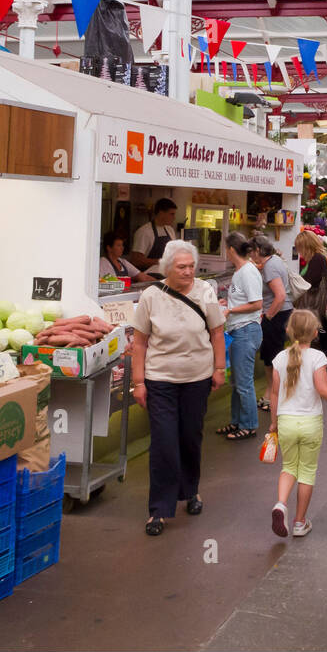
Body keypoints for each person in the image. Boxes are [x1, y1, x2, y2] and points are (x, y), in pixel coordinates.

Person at [130, 240, 226, 536]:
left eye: (191, 266)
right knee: (163, 442)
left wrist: (219, 367)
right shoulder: (151, 296)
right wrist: (138, 383)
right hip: (160, 380)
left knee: (189, 437)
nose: (188, 272)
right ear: (167, 268)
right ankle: (159, 509)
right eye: (181, 267)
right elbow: (140, 343)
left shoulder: (205, 291)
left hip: (197, 378)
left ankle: (191, 490)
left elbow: (217, 331)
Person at [269, 310, 327, 538]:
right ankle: (300, 522)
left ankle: (281, 504)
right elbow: (323, 389)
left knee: (289, 467)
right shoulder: (318, 357)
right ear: (314, 333)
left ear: (288, 331)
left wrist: (274, 424)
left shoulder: (279, 359)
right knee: (307, 472)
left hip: (287, 421)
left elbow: (273, 394)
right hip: (310, 423)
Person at [217, 232, 263, 441]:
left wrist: (230, 311)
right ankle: (237, 421)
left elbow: (256, 303)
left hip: (246, 330)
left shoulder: (247, 272)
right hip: (238, 330)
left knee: (243, 382)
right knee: (237, 381)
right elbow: (242, 299)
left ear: (231, 250)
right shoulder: (240, 272)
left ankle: (249, 425)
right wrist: (228, 305)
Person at [250, 234, 291, 409]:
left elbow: (280, 296)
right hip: (281, 314)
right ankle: (272, 393)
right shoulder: (273, 261)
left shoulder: (270, 267)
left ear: (258, 250)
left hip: (276, 315)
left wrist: (267, 316)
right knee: (272, 356)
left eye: (251, 251)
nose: (250, 254)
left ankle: (273, 396)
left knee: (271, 358)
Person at [130, 198, 179, 276]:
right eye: (171, 214)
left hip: (166, 276)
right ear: (161, 213)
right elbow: (136, 260)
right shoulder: (144, 232)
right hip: (147, 278)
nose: (174, 217)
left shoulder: (170, 230)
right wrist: (160, 261)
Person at [292, 230, 327, 318]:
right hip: (311, 305)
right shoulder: (313, 259)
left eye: (299, 247)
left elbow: (310, 283)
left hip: (312, 304)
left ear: (306, 246)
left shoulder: (317, 258)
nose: (298, 251)